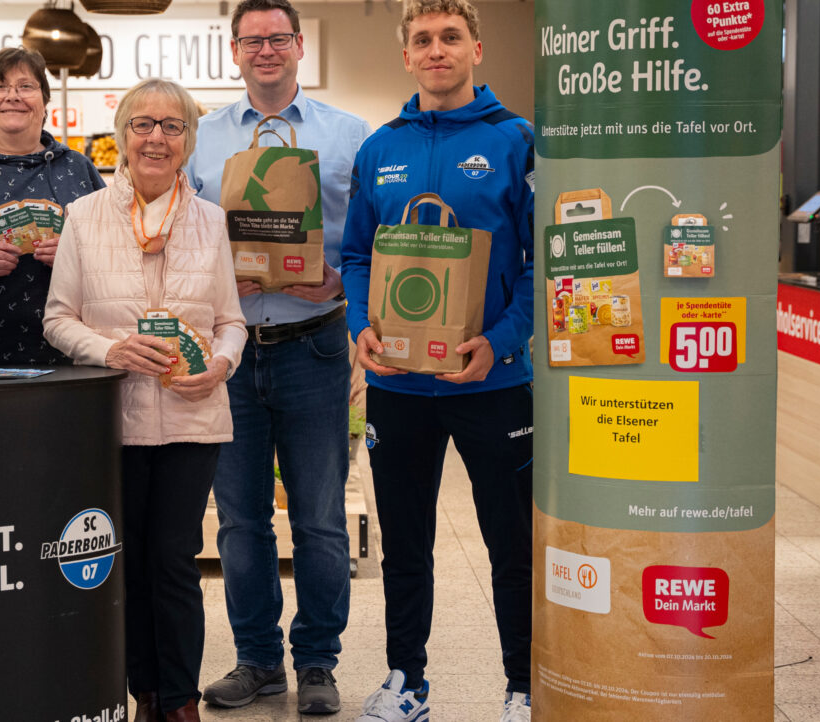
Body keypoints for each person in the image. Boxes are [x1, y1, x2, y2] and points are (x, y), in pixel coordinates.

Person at [341, 1, 535, 721]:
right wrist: (362, 324)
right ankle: (407, 682)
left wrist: (502, 340)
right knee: (405, 544)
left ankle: (523, 685)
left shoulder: (516, 139)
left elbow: (543, 261)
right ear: (406, 56)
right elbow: (358, 254)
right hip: (398, 384)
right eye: (422, 39)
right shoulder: (379, 147)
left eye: (450, 37)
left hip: (495, 381)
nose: (436, 49)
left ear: (476, 49)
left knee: (511, 542)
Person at [181, 0, 369, 714]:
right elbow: (185, 235)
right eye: (252, 40)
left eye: (278, 38)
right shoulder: (202, 138)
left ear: (298, 47)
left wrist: (343, 279)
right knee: (239, 520)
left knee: (319, 518)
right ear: (234, 51)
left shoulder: (348, 136)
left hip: (314, 344)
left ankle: (317, 661)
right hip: (230, 353)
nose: (266, 50)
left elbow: (373, 238)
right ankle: (258, 660)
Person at [43, 78, 247, 722]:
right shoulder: (85, 215)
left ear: (188, 140)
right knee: (124, 563)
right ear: (123, 135)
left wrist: (219, 364)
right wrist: (111, 351)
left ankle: (181, 698)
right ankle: (143, 692)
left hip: (193, 417)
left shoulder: (211, 220)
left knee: (175, 562)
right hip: (116, 421)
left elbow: (231, 322)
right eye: (143, 124)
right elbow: (58, 318)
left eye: (172, 126)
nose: (156, 137)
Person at [0, 47, 105, 366]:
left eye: (26, 86)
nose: (13, 96)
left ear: (45, 104)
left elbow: (117, 250)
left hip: (70, 356)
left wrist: (76, 256)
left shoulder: (77, 167)